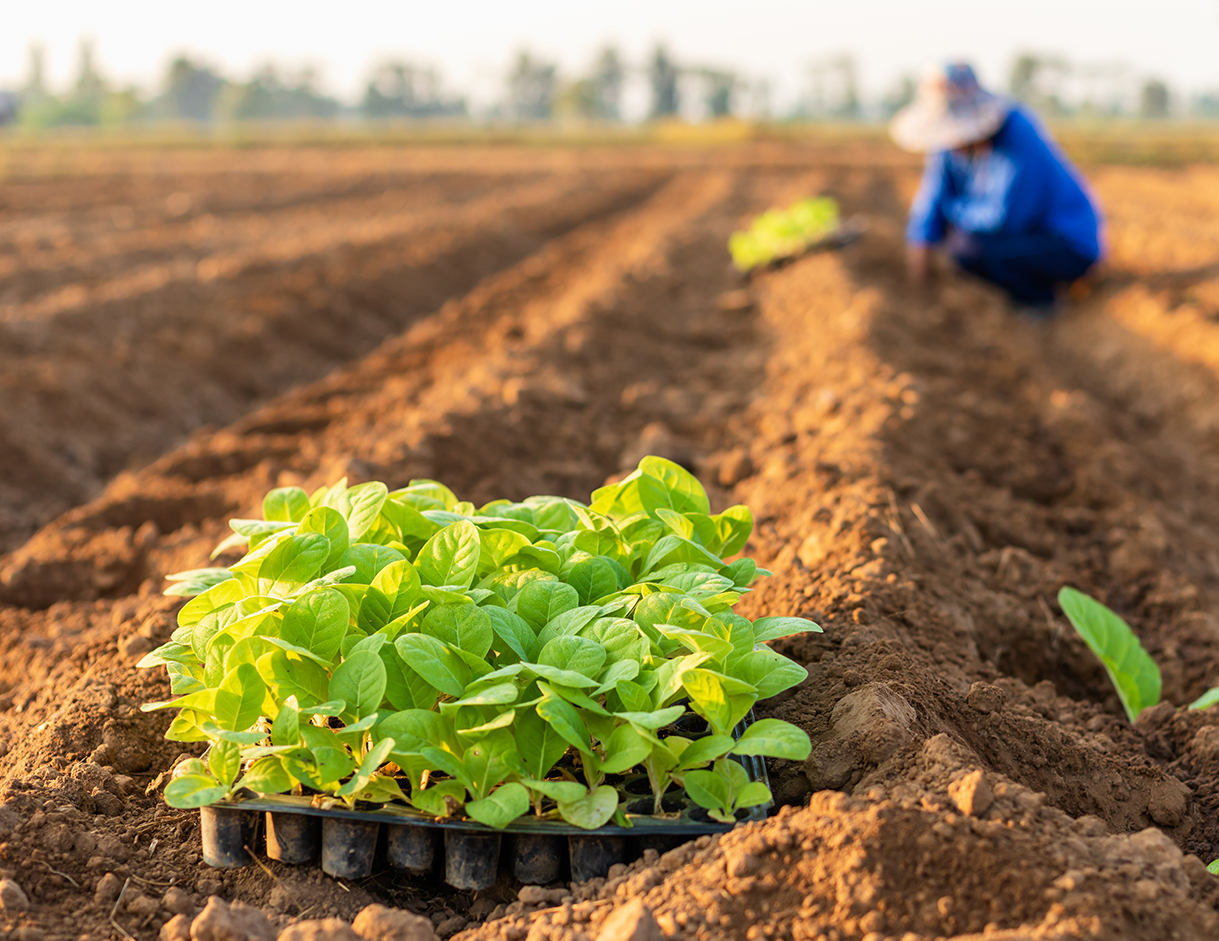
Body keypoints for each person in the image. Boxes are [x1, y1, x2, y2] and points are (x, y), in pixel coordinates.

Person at [890, 63, 1102, 314]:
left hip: (1065, 243)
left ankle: (1042, 302)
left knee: (973, 251)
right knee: (963, 246)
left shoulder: (1018, 134)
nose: (953, 144)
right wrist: (920, 272)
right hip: (1017, 235)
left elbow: (1006, 218)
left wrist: (953, 212)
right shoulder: (948, 146)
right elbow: (932, 201)